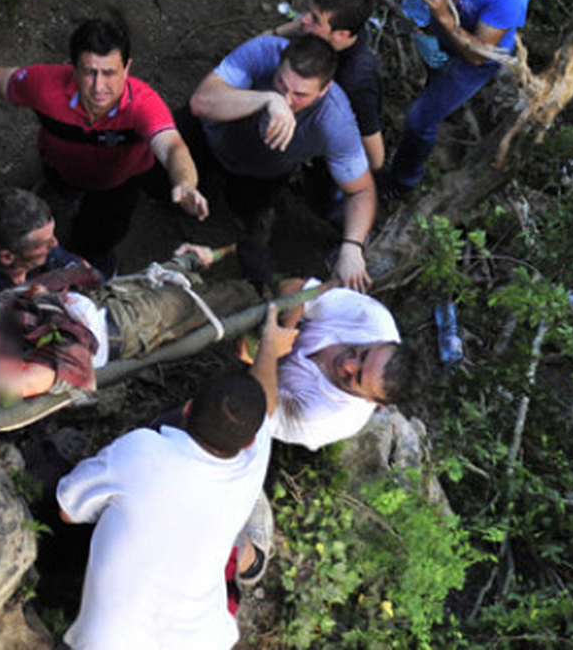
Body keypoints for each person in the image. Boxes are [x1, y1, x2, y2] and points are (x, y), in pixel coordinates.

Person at [55, 307, 296, 649]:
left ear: (188, 408)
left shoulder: (141, 450)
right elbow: (265, 403)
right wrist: (270, 346)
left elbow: (67, 510)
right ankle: (248, 556)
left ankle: (242, 554)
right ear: (249, 443)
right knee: (219, 538)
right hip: (201, 642)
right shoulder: (252, 464)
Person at [0, 18, 208, 277]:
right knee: (53, 204)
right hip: (60, 168)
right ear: (73, 68)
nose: (98, 87)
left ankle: (95, 268)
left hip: (118, 184)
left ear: (127, 68)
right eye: (89, 72)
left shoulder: (143, 105)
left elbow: (172, 147)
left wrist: (185, 183)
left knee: (98, 237)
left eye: (109, 73)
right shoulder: (45, 86)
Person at [0, 244, 260, 417]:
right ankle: (259, 292)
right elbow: (67, 362)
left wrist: (46, 296)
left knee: (173, 273)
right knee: (201, 304)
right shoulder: (4, 379)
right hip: (123, 325)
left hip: (99, 303)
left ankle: (227, 254)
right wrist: (56, 311)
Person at [181, 34, 376, 292]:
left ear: (324, 90)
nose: (287, 98)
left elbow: (361, 190)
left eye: (300, 94)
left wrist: (352, 247)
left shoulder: (335, 121)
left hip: (260, 174)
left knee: (245, 207)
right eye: (281, 83)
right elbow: (201, 101)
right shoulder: (264, 51)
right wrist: (266, 99)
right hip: (211, 135)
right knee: (159, 177)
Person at [381, 0, 530, 197]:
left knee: (418, 120)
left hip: (477, 55)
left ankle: (402, 182)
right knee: (422, 37)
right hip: (445, 20)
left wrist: (445, 19)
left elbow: (477, 56)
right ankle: (435, 79)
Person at [268, 279, 415, 450]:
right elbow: (291, 287)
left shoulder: (321, 417)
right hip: (269, 331)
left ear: (372, 400)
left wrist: (268, 350)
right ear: (381, 340)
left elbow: (252, 408)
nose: (347, 364)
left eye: (356, 377)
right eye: (362, 354)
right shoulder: (373, 320)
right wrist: (282, 334)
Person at [269, 0, 385, 174]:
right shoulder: (339, 27)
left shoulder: (356, 82)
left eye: (314, 19)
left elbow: (375, 157)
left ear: (341, 35)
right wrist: (274, 35)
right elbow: (291, 29)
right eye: (309, 12)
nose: (303, 19)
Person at [0, 187, 90, 309]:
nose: (55, 243)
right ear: (7, 257)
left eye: (52, 235)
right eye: (44, 243)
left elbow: (87, 276)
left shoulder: (47, 256)